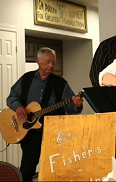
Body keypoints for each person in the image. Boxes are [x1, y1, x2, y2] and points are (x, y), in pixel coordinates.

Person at [6, 47, 83, 182]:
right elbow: (11, 98)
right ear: (38, 61)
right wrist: (18, 108)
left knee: (54, 169)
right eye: (47, 62)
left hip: (53, 132)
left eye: (53, 62)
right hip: (30, 133)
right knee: (27, 169)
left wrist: (77, 105)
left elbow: (69, 108)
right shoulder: (26, 79)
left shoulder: (60, 83)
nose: (51, 65)